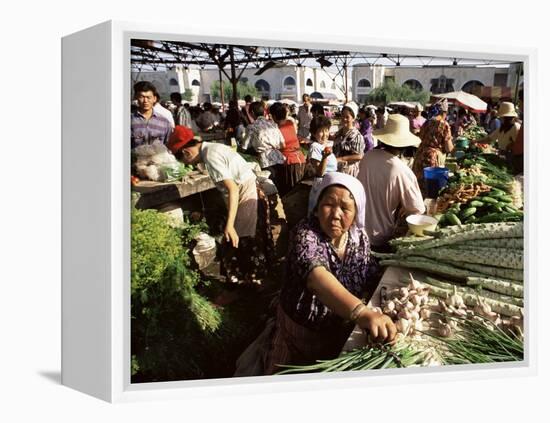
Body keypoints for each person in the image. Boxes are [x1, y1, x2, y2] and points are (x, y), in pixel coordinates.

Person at [263, 172, 396, 374]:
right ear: (316, 208)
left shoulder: (359, 238)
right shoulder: (305, 234)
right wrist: (362, 313)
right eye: (329, 204)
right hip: (299, 334)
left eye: (345, 208)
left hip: (337, 332)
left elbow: (369, 271)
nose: (335, 214)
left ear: (356, 214)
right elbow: (316, 277)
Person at [167, 126, 273, 284]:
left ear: (186, 153)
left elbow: (233, 189)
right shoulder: (211, 149)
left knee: (237, 242)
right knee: (247, 242)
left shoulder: (210, 156)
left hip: (246, 194)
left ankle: (242, 286)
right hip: (249, 193)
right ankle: (253, 283)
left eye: (184, 161)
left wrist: (229, 225)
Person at [358, 114, 426, 250]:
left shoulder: (368, 156)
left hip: (357, 232)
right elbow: (417, 209)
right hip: (380, 237)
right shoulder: (402, 171)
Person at [412, 99, 453, 184]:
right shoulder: (444, 124)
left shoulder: (427, 122)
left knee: (418, 185)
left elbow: (420, 137)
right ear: (444, 112)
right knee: (430, 187)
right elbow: (448, 148)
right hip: (432, 159)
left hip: (420, 154)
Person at [269, 102, 306, 195]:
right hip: (300, 158)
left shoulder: (276, 129)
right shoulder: (290, 123)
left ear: (273, 116)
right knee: (299, 190)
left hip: (290, 163)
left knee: (291, 192)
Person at [306, 115, 339, 214]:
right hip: (322, 185)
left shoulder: (324, 146)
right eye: (321, 131)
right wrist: (325, 157)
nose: (325, 134)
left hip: (330, 183)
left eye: (326, 130)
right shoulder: (315, 147)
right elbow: (319, 172)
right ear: (313, 133)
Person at [131, 81, 172, 148]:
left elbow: (168, 145)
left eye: (148, 97)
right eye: (141, 97)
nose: (145, 101)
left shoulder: (164, 122)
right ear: (136, 97)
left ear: (154, 99)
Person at [332, 105, 365, 177]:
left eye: (347, 117)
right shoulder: (338, 133)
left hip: (349, 172)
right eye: (342, 116)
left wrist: (341, 159)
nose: (344, 119)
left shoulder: (356, 136)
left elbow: (359, 156)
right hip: (337, 170)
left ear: (353, 118)